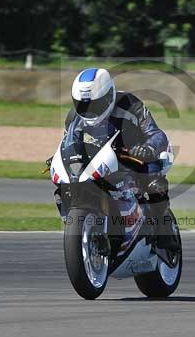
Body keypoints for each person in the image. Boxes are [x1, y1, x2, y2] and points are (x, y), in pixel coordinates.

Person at [65, 67, 177, 248]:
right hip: (99, 161)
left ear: (109, 95)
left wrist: (148, 147)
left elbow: (156, 133)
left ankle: (164, 231)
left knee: (154, 184)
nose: (89, 110)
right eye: (83, 105)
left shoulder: (131, 104)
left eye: (95, 104)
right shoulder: (73, 117)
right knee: (67, 184)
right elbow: (69, 142)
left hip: (133, 157)